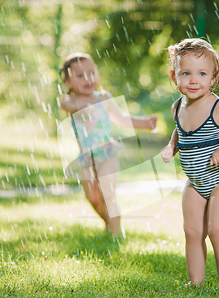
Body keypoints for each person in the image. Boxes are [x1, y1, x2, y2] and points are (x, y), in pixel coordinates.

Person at [160, 39, 219, 286]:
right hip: (195, 182)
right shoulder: (177, 107)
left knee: (217, 231)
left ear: (214, 78)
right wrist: (172, 146)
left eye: (202, 73)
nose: (194, 80)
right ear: (174, 77)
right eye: (186, 73)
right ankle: (196, 282)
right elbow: (181, 132)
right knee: (192, 232)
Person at [60, 52, 157, 236]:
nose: (87, 78)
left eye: (91, 73)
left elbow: (121, 119)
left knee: (107, 192)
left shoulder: (103, 98)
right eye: (79, 76)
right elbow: (65, 103)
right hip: (86, 157)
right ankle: (109, 224)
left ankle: (115, 234)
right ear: (68, 83)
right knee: (92, 197)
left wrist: (145, 123)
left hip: (107, 152)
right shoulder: (71, 101)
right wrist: (79, 105)